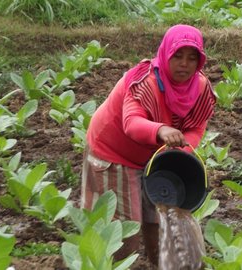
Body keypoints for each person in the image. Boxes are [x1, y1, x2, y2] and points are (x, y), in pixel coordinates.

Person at [80, 24, 216, 265]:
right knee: (124, 232)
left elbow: (197, 126)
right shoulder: (145, 82)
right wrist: (161, 130)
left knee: (159, 220)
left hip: (154, 156)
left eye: (192, 58)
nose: (184, 64)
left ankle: (158, 263)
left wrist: (182, 149)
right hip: (114, 153)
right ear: (165, 54)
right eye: (178, 56)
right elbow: (131, 123)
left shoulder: (200, 88)